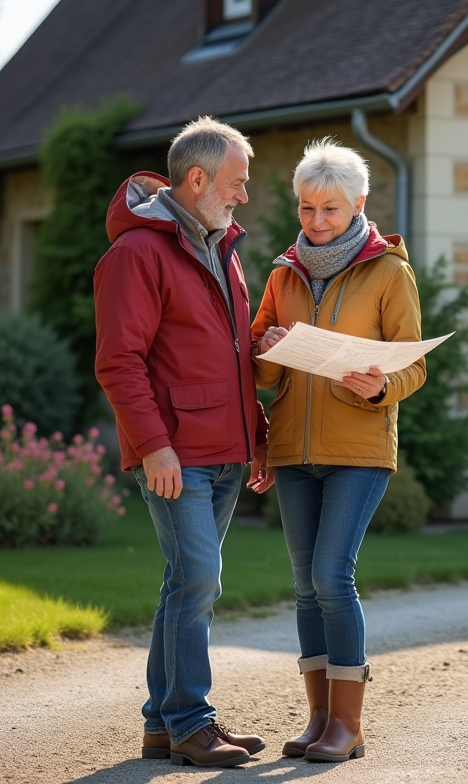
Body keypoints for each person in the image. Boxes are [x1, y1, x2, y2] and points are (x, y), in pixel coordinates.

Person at [94, 116, 274, 769]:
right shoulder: (135, 255)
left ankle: (163, 725)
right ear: (196, 178)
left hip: (224, 449)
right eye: (236, 182)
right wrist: (154, 446)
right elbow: (119, 361)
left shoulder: (221, 247)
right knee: (198, 577)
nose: (243, 196)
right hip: (176, 455)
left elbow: (227, 353)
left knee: (184, 583)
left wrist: (256, 434)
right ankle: (191, 721)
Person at [252, 138, 426, 763]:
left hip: (359, 448)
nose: (317, 222)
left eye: (329, 209)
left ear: (358, 204)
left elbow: (414, 365)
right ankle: (320, 719)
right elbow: (260, 377)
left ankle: (348, 727)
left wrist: (383, 384)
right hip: (294, 451)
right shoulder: (281, 272)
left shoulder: (389, 271)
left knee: (332, 575)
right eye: (306, 208)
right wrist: (266, 351)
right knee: (305, 587)